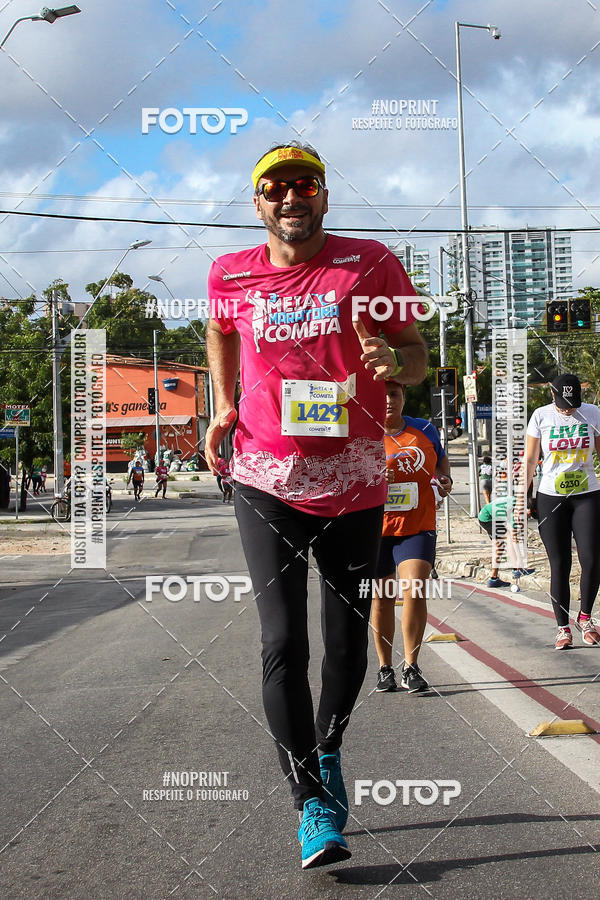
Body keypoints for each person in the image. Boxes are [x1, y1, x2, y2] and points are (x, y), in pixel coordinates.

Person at [205, 142, 428, 869]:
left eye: (304, 184)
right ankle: (311, 803)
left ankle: (327, 750)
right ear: (258, 203)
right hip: (264, 475)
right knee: (281, 641)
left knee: (345, 642)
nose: (290, 197)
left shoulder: (370, 263)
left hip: (354, 476)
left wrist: (397, 366)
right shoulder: (229, 272)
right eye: (275, 188)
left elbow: (416, 352)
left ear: (324, 196)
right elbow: (218, 329)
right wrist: (224, 403)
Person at [371, 380, 452, 694]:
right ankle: (384, 668)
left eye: (394, 394)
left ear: (403, 397)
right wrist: (375, 477)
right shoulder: (364, 432)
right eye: (381, 395)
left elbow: (441, 460)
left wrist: (445, 477)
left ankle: (411, 666)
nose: (388, 400)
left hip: (417, 524)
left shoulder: (425, 430)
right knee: (382, 598)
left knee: (415, 590)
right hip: (376, 528)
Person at [521, 374, 600, 649]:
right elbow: (530, 459)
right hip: (551, 497)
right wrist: (523, 497)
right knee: (560, 563)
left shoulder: (593, 413)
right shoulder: (541, 416)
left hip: (587, 494)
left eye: (573, 404)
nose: (569, 410)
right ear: (552, 394)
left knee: (592, 559)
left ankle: (586, 618)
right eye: (564, 404)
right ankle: (562, 627)